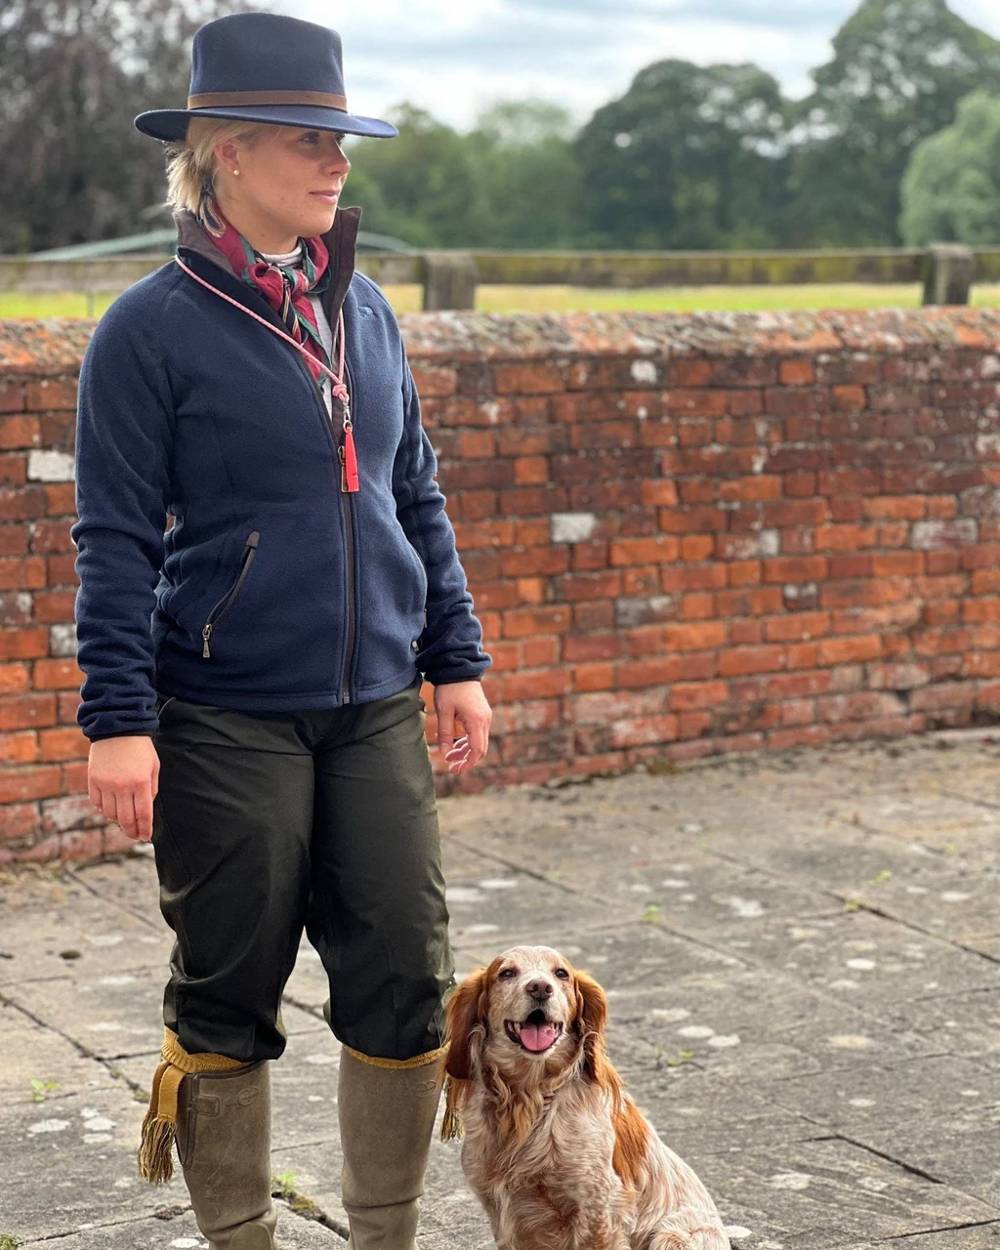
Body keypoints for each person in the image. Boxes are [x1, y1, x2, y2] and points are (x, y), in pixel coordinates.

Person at [70, 12, 493, 1249]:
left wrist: (454, 655)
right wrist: (118, 721)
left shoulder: (363, 313)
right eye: (313, 140)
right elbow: (113, 538)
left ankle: (383, 1237)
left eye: (343, 139)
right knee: (228, 983)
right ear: (226, 152)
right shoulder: (145, 331)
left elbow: (411, 489)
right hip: (223, 706)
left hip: (371, 705)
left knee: (409, 971)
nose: (338, 163)